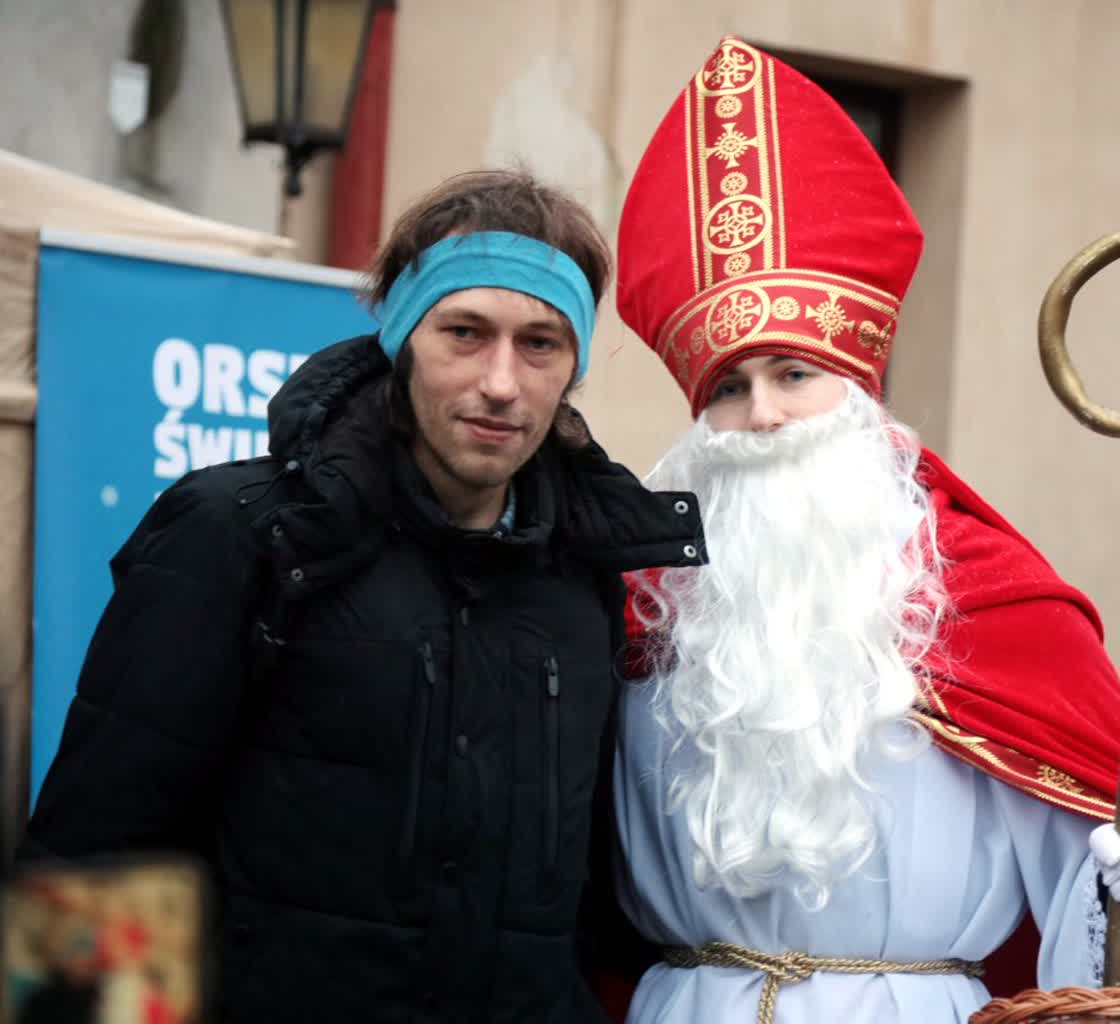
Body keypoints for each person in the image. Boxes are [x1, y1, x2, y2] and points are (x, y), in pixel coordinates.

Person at [605, 37, 1120, 1023]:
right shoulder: (647, 613)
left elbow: (1093, 876)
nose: (763, 414)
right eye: (729, 388)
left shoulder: (982, 600)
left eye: (793, 374)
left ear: (857, 390)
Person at [18, 169, 705, 1021]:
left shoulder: (586, 576)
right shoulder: (243, 535)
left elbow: (586, 896)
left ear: (574, 367)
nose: (501, 381)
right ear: (402, 338)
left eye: (540, 344)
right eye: (464, 333)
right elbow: (100, 858)